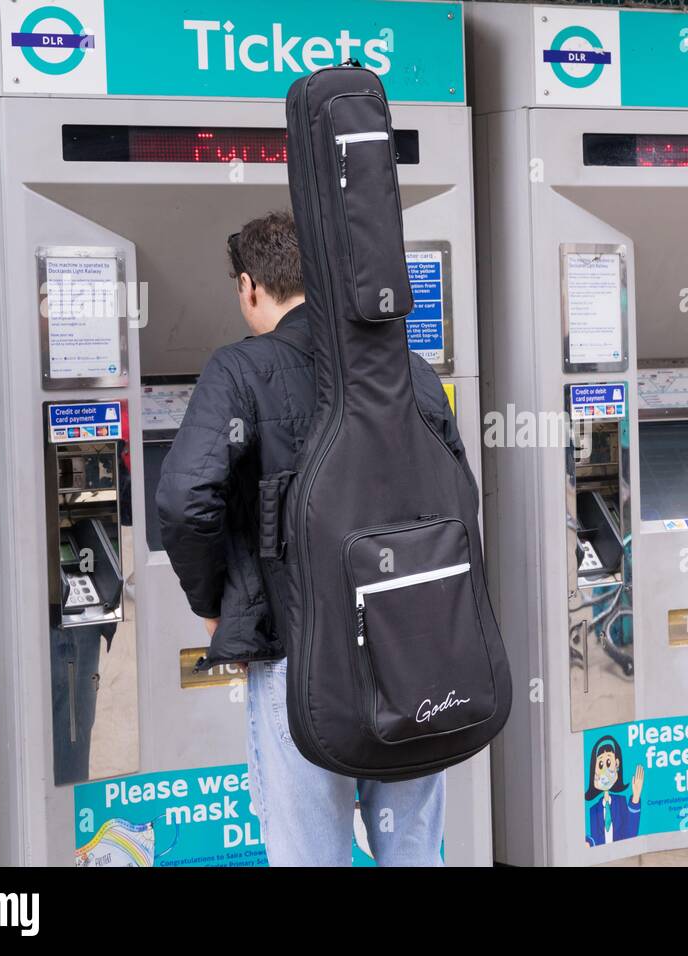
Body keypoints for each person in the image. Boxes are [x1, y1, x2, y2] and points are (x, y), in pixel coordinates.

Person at [156, 211, 466, 866]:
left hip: (300, 658)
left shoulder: (238, 370)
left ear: (249, 288)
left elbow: (185, 500)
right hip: (410, 654)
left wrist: (215, 608)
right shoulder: (408, 368)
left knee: (308, 856)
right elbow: (457, 504)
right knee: (413, 852)